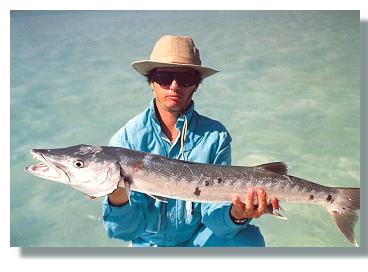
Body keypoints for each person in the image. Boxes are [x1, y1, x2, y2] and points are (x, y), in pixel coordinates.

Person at [102, 35, 279, 247]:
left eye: (185, 78)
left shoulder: (215, 136)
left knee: (249, 240)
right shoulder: (126, 139)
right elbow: (123, 231)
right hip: (148, 244)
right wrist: (117, 198)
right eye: (165, 77)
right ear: (151, 82)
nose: (174, 86)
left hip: (199, 238)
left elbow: (214, 215)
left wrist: (236, 215)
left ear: (196, 85)